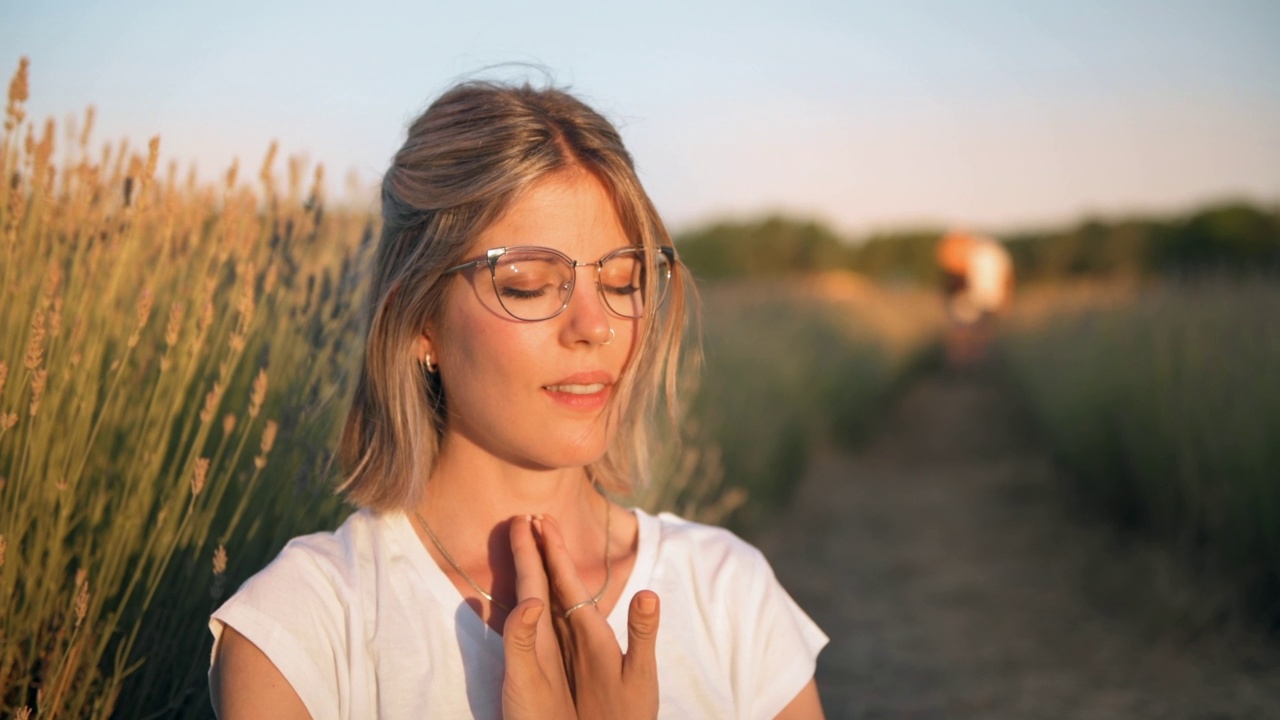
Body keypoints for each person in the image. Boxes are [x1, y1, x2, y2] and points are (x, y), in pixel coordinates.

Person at [208, 80, 828, 719]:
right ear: (420, 322)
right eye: (529, 286)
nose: (596, 325)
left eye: (622, 280)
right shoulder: (303, 629)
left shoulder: (728, 592)